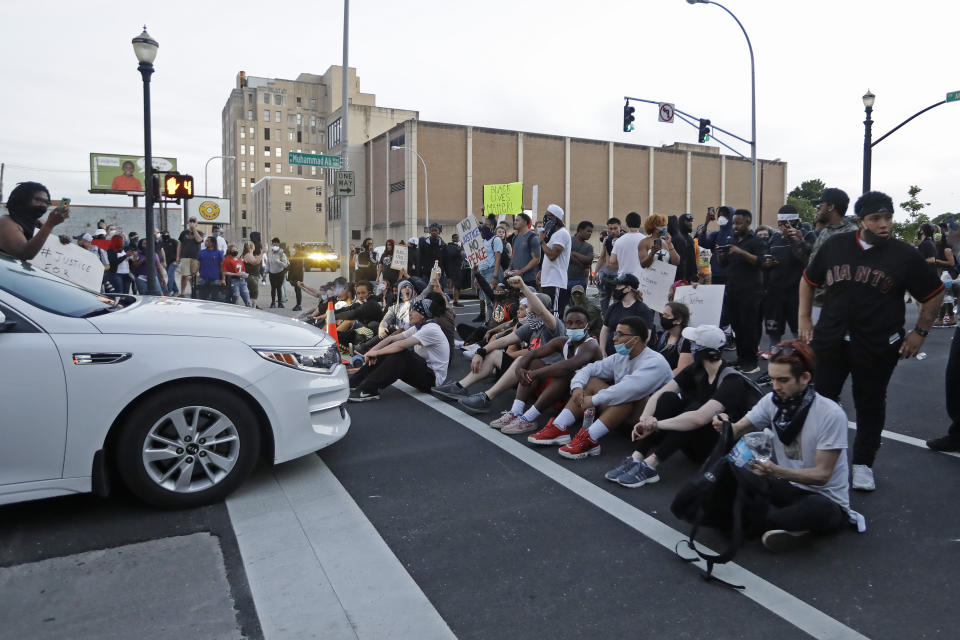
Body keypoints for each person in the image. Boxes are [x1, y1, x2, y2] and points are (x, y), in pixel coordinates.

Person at [799, 190, 944, 491]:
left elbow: (933, 294)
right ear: (859, 220)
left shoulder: (904, 255)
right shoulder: (836, 245)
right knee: (822, 399)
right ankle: (819, 459)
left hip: (878, 342)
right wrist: (804, 319)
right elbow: (808, 280)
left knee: (871, 402)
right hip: (832, 338)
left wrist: (920, 333)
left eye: (888, 217)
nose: (884, 224)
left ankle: (863, 462)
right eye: (876, 218)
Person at [709, 341, 853, 552]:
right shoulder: (771, 401)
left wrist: (776, 471)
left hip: (824, 498)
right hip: (787, 486)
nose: (775, 386)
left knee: (817, 509)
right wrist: (724, 424)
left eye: (783, 380)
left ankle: (760, 522)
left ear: (805, 378)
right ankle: (788, 528)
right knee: (733, 475)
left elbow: (822, 475)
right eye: (773, 378)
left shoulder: (830, 414)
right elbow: (738, 429)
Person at [611, 325, 759, 487]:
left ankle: (650, 465)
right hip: (690, 438)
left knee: (695, 408)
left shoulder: (731, 381)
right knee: (669, 398)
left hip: (713, 448)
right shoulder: (697, 369)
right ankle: (636, 457)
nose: (689, 347)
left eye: (692, 343)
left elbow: (699, 419)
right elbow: (661, 393)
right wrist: (645, 419)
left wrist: (656, 424)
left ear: (704, 350)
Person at [527, 316, 673, 459]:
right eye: (615, 333)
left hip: (654, 428)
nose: (614, 338)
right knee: (591, 381)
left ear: (635, 339)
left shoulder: (655, 362)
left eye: (620, 334)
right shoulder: (620, 357)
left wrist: (593, 400)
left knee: (626, 397)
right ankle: (559, 427)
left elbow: (627, 390)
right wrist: (577, 387)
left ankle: (590, 438)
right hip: (624, 420)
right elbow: (589, 369)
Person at [432, 277, 565, 413]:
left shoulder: (554, 325)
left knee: (521, 360)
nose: (527, 307)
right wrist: (481, 352)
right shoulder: (532, 326)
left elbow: (542, 312)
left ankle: (486, 397)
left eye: (529, 304)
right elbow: (504, 340)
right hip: (527, 375)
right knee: (495, 354)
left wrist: (523, 287)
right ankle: (460, 387)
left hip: (545, 378)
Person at [488, 306, 604, 433]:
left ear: (587, 325)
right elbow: (532, 354)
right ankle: (516, 412)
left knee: (566, 373)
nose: (574, 327)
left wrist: (534, 374)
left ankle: (528, 418)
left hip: (587, 398)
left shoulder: (591, 345)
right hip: (568, 394)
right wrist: (520, 368)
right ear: (565, 325)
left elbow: (569, 365)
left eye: (579, 323)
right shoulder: (562, 342)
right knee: (534, 362)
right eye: (570, 323)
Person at [348, 292, 450, 402]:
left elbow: (400, 345)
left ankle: (368, 390)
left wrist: (377, 353)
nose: (410, 313)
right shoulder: (419, 327)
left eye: (414, 310)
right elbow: (391, 339)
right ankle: (354, 382)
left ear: (422, 315)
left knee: (401, 354)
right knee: (389, 351)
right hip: (423, 372)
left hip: (433, 380)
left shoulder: (431, 329)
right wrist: (373, 351)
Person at [761, 205, 816, 349]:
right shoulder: (775, 237)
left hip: (797, 292)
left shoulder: (808, 235)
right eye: (780, 224)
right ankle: (775, 359)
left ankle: (803, 361)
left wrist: (798, 240)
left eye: (786, 225)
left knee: (798, 332)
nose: (783, 228)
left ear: (796, 222)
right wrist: (767, 263)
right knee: (774, 331)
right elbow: (765, 261)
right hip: (775, 291)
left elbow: (810, 260)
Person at [796, 188, 856, 320]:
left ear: (831, 207)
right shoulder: (825, 232)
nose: (818, 209)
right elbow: (812, 263)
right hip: (818, 301)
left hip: (837, 303)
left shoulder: (852, 233)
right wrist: (799, 242)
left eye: (820, 205)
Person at [718, 209, 765, 373]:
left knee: (750, 327)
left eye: (738, 223)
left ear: (748, 222)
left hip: (751, 293)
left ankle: (751, 362)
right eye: (733, 223)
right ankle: (741, 358)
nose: (735, 226)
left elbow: (760, 262)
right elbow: (724, 264)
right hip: (733, 291)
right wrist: (721, 254)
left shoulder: (757, 241)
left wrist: (740, 252)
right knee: (737, 327)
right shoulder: (733, 240)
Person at [0, 182, 69, 260]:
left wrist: (58, 243)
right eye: (38, 200)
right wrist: (50, 224)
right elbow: (24, 254)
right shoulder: (5, 222)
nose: (43, 205)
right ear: (21, 199)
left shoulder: (40, 224)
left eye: (46, 202)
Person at [599, 274, 653, 356]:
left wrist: (632, 353)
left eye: (618, 286)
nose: (615, 288)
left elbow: (647, 336)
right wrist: (602, 350)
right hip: (610, 355)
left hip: (629, 355)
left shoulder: (642, 309)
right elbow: (605, 329)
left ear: (628, 288)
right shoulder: (613, 307)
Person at [538, 204, 572, 316]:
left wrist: (542, 242)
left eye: (549, 216)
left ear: (556, 218)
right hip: (549, 280)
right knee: (547, 313)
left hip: (556, 281)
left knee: (555, 315)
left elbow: (552, 256)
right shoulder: (554, 235)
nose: (546, 218)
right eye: (546, 215)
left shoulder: (562, 234)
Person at [696, 205, 735, 286]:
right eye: (720, 215)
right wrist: (706, 223)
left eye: (724, 214)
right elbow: (703, 244)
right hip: (716, 275)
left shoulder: (736, 234)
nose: (721, 217)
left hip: (732, 275)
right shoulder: (715, 234)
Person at [474, 216, 504, 323]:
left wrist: (495, 277)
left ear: (491, 226)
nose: (483, 227)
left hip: (492, 272)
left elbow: (498, 259)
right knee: (486, 300)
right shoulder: (482, 240)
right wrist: (477, 277)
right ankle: (489, 322)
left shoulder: (496, 240)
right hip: (483, 273)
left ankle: (493, 324)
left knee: (493, 300)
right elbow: (479, 259)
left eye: (486, 225)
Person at [655, 301, 693, 374]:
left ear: (678, 321)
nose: (663, 318)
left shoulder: (686, 341)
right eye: (663, 314)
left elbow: (681, 370)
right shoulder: (663, 335)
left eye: (667, 316)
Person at [506, 213, 541, 288]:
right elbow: (513, 255)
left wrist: (521, 271)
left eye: (517, 220)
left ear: (525, 222)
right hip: (515, 280)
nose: (515, 222)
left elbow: (536, 259)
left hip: (529, 280)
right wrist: (509, 268)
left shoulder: (533, 238)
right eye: (515, 220)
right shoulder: (515, 237)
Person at [597, 217, 624, 312]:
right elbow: (602, 257)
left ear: (620, 227)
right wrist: (596, 272)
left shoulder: (624, 240)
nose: (613, 231)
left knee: (618, 304)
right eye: (610, 229)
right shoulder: (607, 240)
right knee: (604, 305)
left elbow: (613, 263)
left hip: (618, 275)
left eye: (615, 228)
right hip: (605, 274)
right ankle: (605, 323)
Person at [608, 211, 644, 279]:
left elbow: (612, 260)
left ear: (626, 224)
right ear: (640, 224)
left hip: (623, 279)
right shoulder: (645, 240)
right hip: (641, 278)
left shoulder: (619, 241)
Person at [177, 218, 204, 297]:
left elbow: (199, 240)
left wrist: (194, 230)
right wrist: (178, 256)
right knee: (184, 275)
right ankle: (182, 293)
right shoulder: (184, 232)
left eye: (193, 222)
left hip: (195, 257)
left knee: (195, 276)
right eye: (190, 221)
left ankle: (194, 292)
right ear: (188, 223)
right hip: (184, 256)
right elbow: (179, 245)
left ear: (196, 223)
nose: (192, 223)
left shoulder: (199, 232)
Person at [673, 213, 699, 283]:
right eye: (688, 221)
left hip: (689, 277)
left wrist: (694, 274)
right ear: (681, 222)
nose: (690, 223)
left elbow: (692, 258)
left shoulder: (690, 238)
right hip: (678, 277)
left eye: (691, 221)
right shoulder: (676, 237)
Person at [265, 238, 289, 308]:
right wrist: (266, 271)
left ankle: (280, 303)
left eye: (275, 244)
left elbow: (285, 264)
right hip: (272, 273)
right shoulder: (270, 254)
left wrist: (278, 261)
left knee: (279, 288)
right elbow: (267, 263)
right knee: (273, 288)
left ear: (278, 244)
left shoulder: (282, 254)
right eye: (273, 244)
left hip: (279, 273)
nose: (274, 245)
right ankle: (272, 303)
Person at [441, 234, 465, 307]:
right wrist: (460, 249)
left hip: (457, 268)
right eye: (455, 237)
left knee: (457, 286)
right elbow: (453, 254)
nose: (457, 239)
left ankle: (455, 301)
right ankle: (455, 301)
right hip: (454, 269)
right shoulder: (450, 246)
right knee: (456, 285)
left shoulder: (458, 246)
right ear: (452, 239)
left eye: (457, 237)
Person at [242, 241, 263, 308]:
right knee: (254, 292)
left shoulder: (250, 255)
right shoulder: (248, 255)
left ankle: (253, 305)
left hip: (254, 276)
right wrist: (262, 253)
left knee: (253, 292)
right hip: (251, 277)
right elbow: (255, 262)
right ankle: (252, 306)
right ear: (251, 247)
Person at [286, 246, 305, 311]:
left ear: (297, 249)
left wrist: (291, 278)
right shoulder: (297, 255)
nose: (293, 249)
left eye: (294, 248)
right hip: (297, 276)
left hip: (297, 277)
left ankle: (299, 305)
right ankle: (298, 304)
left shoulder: (298, 256)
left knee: (298, 291)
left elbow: (296, 268)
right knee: (297, 291)